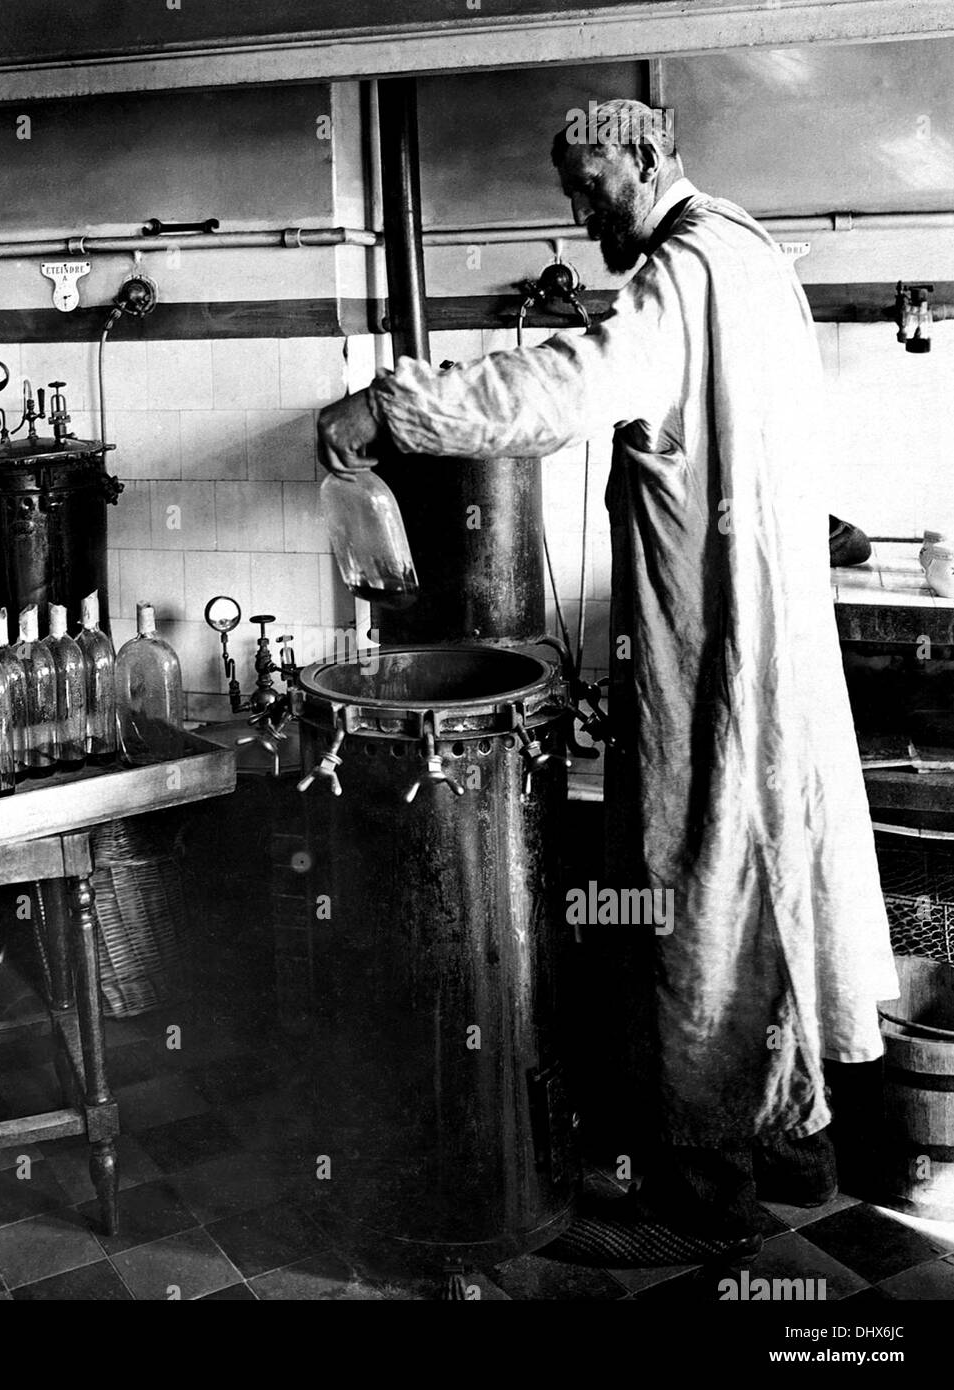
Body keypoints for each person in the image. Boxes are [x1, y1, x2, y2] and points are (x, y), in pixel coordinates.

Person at [316, 98, 898, 1258]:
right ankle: (792, 1142)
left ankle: (707, 1189)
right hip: (774, 630)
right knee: (771, 871)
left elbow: (563, 391)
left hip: (715, 645)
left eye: (593, 190)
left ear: (649, 157)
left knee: (700, 882)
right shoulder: (756, 257)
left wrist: (392, 405)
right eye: (572, 198)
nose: (583, 218)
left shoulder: (682, 275)